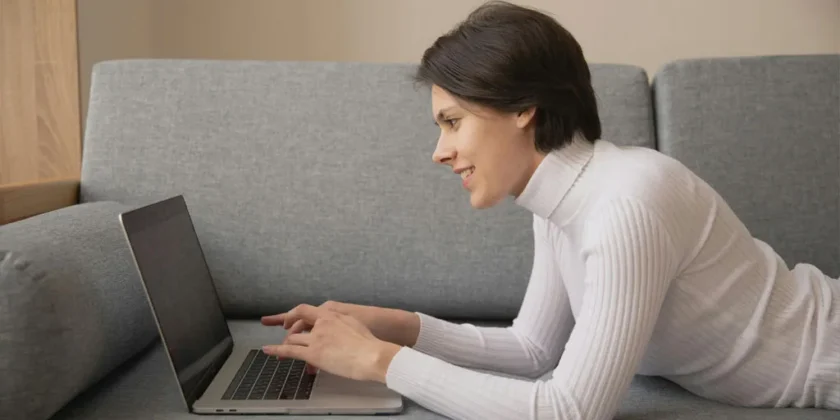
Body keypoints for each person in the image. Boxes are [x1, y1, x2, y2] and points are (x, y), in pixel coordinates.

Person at [260, 1, 840, 419]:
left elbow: (570, 411)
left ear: (523, 109)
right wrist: (394, 326)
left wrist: (379, 362)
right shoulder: (560, 203)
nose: (438, 151)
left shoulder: (624, 205)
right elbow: (533, 349)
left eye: (452, 122)